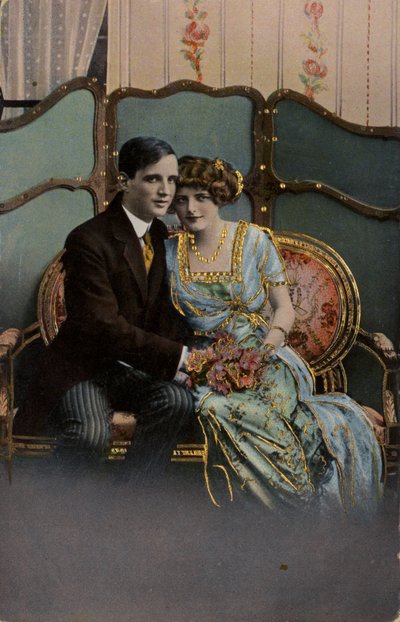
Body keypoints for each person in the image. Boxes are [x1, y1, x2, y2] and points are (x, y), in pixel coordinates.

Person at [164, 155, 384, 512]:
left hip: (263, 354)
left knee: (281, 409)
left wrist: (269, 345)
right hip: (207, 366)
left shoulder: (253, 240)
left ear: (219, 196)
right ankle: (297, 502)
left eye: (201, 197)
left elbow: (284, 307)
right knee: (215, 408)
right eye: (182, 199)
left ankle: (308, 502)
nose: (191, 208)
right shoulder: (168, 254)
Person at [14, 137, 194, 457]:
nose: (166, 190)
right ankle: (67, 506)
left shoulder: (159, 235)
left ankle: (127, 499)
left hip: (129, 368)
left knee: (177, 402)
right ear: (125, 182)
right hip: (82, 367)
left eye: (172, 180)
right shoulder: (89, 239)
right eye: (153, 179)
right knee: (91, 434)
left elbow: (163, 313)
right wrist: (178, 357)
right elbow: (102, 325)